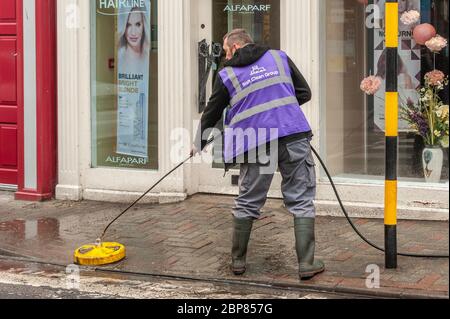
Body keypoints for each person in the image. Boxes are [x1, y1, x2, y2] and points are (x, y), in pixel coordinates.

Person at [192, 29, 325, 280]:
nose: (226, 55)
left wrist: (198, 144)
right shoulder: (279, 57)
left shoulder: (227, 74)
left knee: (249, 199)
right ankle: (306, 263)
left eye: (226, 50)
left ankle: (238, 262)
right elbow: (304, 93)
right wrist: (282, 109)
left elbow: (212, 111)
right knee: (301, 198)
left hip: (255, 142)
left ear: (233, 48)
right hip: (292, 134)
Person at [117, 6, 150, 73]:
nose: (133, 32)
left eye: (138, 24)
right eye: (128, 25)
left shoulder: (148, 58)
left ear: (144, 26)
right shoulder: (119, 57)